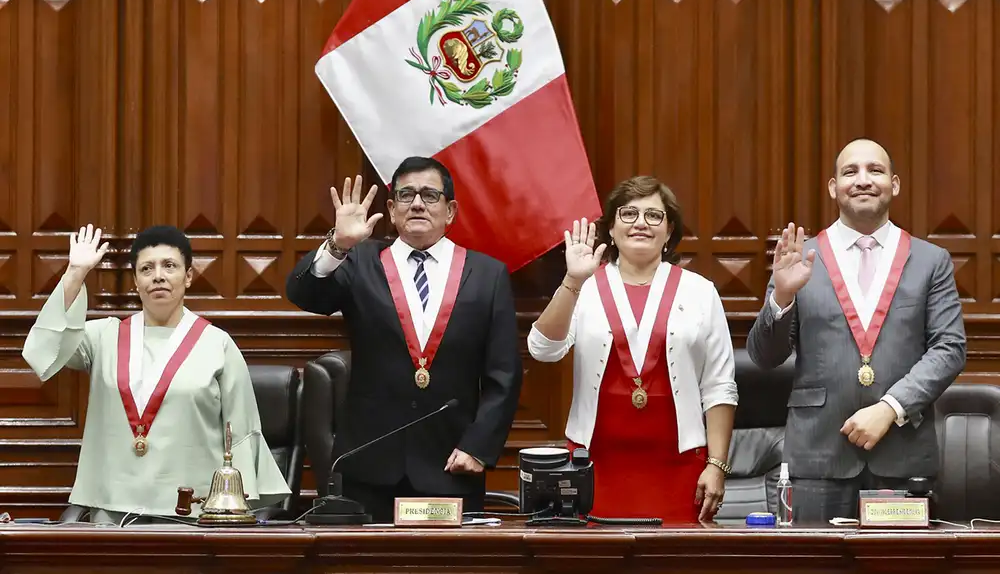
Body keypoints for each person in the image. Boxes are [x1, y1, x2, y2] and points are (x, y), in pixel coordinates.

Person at [286, 156, 522, 523]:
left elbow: (503, 375)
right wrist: (337, 244)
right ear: (392, 210)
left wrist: (479, 446)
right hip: (369, 465)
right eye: (406, 194)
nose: (417, 203)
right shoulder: (359, 260)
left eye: (430, 195)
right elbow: (305, 296)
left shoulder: (487, 275)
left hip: (452, 464)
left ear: (450, 211)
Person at [746, 138, 966, 524]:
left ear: (894, 184)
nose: (863, 180)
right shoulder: (801, 258)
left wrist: (889, 408)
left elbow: (949, 349)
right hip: (817, 458)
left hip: (903, 456)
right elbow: (765, 357)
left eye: (875, 171)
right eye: (850, 172)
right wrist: (782, 295)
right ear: (834, 187)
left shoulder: (931, 261)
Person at [22, 224, 290, 524]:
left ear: (188, 276)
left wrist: (234, 509)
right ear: (136, 281)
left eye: (170, 266)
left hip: (192, 513)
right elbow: (43, 353)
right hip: (112, 512)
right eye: (146, 268)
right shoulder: (103, 337)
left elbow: (239, 431)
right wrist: (75, 273)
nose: (158, 275)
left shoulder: (218, 344)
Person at [526, 176, 738, 524]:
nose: (641, 223)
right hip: (594, 464)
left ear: (669, 231)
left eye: (654, 216)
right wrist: (572, 281)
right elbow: (542, 349)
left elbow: (719, 385)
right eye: (629, 213)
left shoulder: (700, 292)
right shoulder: (586, 286)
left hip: (679, 463)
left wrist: (716, 465)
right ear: (610, 229)